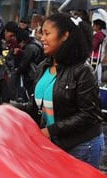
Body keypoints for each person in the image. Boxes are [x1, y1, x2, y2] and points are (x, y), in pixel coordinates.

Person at [32, 13, 103, 168]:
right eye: (41, 33)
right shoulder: (43, 67)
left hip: (82, 146)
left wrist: (51, 130)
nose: (42, 38)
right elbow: (38, 106)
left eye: (47, 33)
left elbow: (89, 114)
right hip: (55, 144)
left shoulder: (82, 71)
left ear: (64, 36)